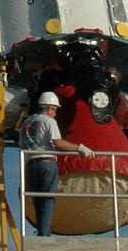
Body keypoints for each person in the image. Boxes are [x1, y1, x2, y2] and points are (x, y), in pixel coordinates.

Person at [20, 90, 91, 237]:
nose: (55, 113)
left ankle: (42, 230)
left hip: (30, 165)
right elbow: (58, 143)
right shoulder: (49, 121)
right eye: (54, 110)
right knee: (48, 199)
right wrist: (79, 147)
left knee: (37, 199)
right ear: (49, 108)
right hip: (46, 163)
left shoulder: (26, 123)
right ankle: (44, 233)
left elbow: (22, 144)